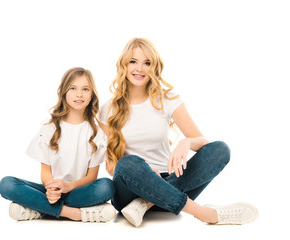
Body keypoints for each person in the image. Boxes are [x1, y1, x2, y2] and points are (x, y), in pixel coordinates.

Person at [98, 38, 258, 227]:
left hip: (170, 181)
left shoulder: (167, 99)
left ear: (154, 67)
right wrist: (146, 174)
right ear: (124, 65)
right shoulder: (108, 108)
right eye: (133, 61)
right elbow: (111, 167)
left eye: (147, 63)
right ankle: (206, 214)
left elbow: (204, 144)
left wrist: (187, 143)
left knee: (221, 149)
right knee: (127, 163)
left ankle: (146, 204)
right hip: (130, 192)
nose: (139, 68)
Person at [0, 67, 116, 222]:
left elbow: (91, 177)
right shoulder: (49, 129)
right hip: (51, 191)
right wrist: (52, 188)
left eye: (85, 89)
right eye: (73, 88)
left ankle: (39, 209)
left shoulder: (97, 134)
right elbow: (45, 172)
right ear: (64, 93)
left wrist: (68, 186)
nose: (79, 94)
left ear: (91, 96)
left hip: (78, 191)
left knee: (106, 186)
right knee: (6, 184)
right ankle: (74, 213)